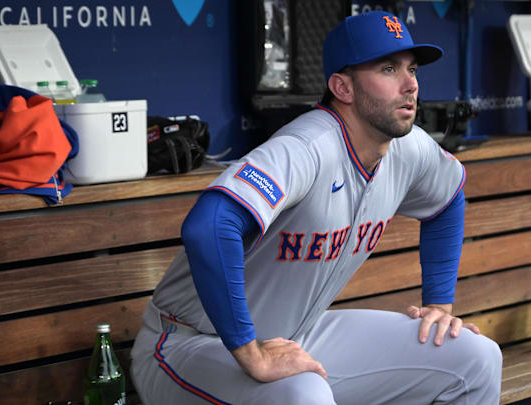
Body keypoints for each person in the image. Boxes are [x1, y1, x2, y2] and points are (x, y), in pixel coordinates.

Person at [130, 10, 502, 405]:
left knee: (475, 357)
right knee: (302, 393)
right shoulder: (306, 148)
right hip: (188, 344)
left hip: (295, 335)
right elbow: (209, 226)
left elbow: (448, 199)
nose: (410, 84)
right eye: (389, 69)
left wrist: (438, 306)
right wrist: (251, 353)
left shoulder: (410, 148)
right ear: (343, 87)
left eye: (412, 69)